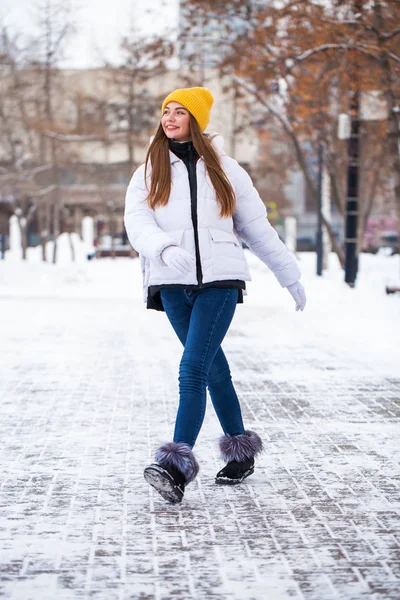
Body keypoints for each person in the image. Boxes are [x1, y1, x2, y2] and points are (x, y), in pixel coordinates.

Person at [124, 87, 306, 504]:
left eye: (179, 112)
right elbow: (136, 220)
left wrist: (288, 274)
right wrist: (164, 248)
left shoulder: (226, 169)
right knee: (214, 368)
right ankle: (240, 453)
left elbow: (257, 227)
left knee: (192, 369)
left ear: (198, 120)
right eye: (165, 111)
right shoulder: (149, 169)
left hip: (221, 282)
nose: (169, 118)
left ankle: (176, 464)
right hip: (172, 281)